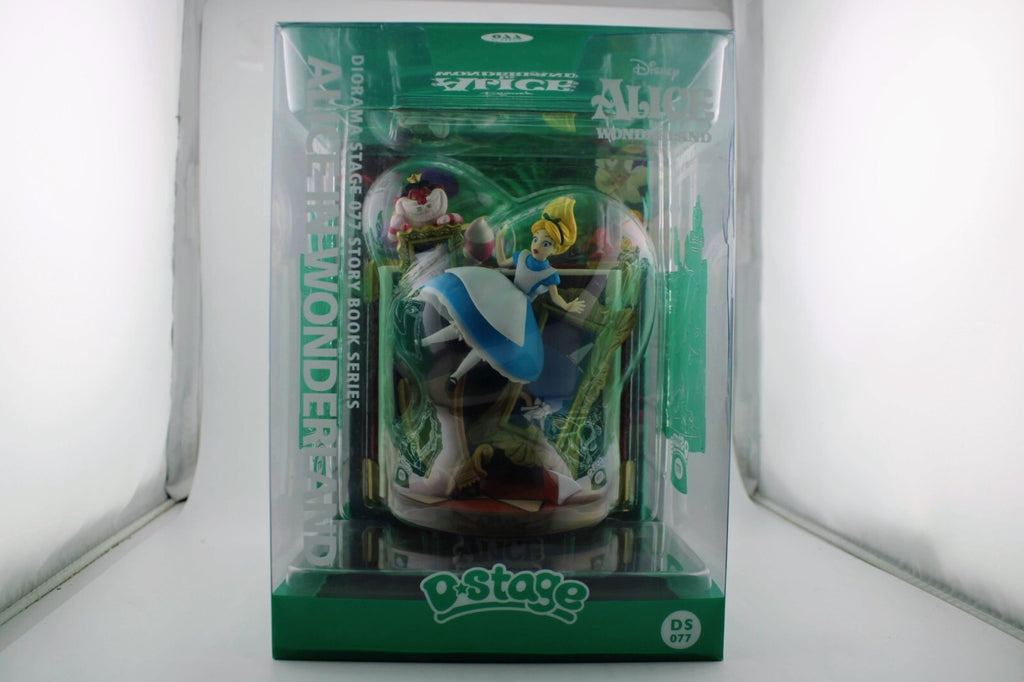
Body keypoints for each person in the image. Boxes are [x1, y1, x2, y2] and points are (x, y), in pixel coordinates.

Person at [417, 196, 587, 389]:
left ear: (556, 249)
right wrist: (499, 238)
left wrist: (568, 306)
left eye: (546, 244)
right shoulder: (523, 256)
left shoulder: (550, 274)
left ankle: (455, 376)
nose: (537, 245)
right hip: (500, 290)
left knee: (487, 346)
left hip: (517, 310)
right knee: (463, 323)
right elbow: (502, 261)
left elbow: (555, 297)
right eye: (536, 239)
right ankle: (423, 342)